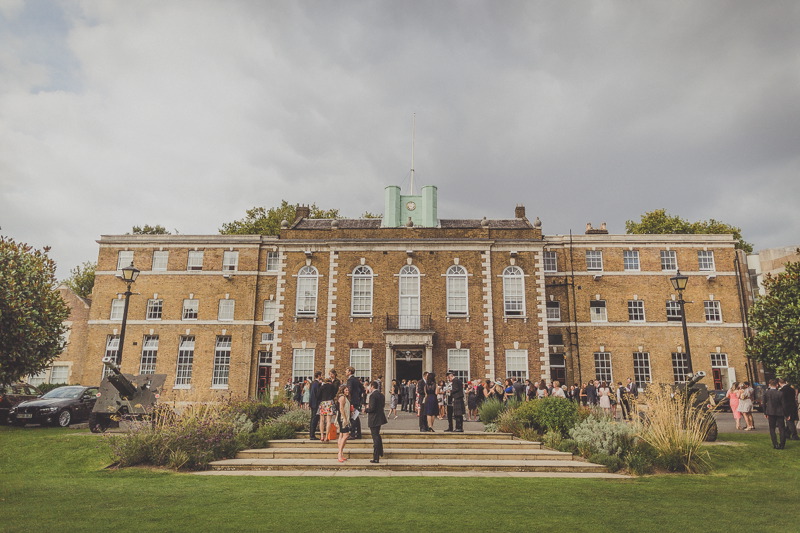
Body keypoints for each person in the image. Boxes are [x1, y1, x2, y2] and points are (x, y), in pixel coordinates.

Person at [365, 380, 388, 463]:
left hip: (374, 418)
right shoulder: (381, 395)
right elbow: (382, 405)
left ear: (372, 386)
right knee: (377, 435)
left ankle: (376, 457)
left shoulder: (372, 396)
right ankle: (380, 452)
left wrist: (366, 410)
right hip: (380, 417)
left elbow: (372, 408)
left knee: (375, 437)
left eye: (369, 386)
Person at [763, 379, 787, 450]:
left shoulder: (766, 393)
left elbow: (763, 404)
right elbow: (784, 405)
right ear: (777, 385)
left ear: (769, 385)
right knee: (782, 428)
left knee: (772, 428)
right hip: (780, 412)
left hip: (770, 412)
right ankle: (782, 445)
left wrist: (765, 412)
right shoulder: (780, 393)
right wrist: (786, 414)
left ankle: (775, 444)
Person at [334, 385, 352, 462]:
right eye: (346, 390)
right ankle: (339, 453)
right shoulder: (342, 397)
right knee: (346, 435)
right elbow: (341, 408)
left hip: (343, 417)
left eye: (348, 390)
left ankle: (341, 453)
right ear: (342, 390)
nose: (347, 391)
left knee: (341, 435)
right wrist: (344, 418)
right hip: (342, 418)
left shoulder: (345, 397)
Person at [345, 366, 364, 439]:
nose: (345, 372)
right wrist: (359, 396)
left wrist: (347, 398)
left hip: (352, 401)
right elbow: (362, 389)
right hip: (357, 400)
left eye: (346, 371)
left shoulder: (350, 380)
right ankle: (358, 434)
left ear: (350, 372)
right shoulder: (356, 379)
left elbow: (349, 390)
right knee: (356, 417)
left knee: (353, 417)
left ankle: (353, 434)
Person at [318, 377, 337, 442]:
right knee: (328, 421)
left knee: (322, 420)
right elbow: (334, 394)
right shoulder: (332, 386)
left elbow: (318, 395)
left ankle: (322, 436)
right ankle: (327, 436)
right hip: (329, 402)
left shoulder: (322, 387)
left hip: (323, 402)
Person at [309, 371, 323, 440]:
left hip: (312, 403)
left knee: (313, 419)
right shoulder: (317, 384)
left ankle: (311, 434)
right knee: (315, 419)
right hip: (316, 403)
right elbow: (318, 394)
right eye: (321, 375)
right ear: (319, 376)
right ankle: (312, 435)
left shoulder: (312, 383)